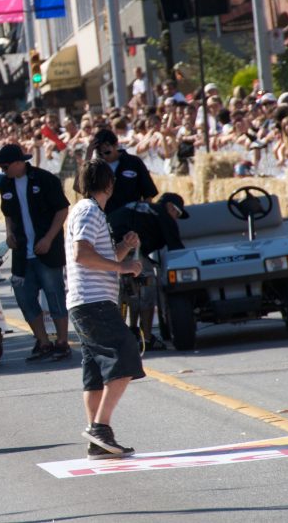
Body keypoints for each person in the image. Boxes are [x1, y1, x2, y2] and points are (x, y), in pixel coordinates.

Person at [66, 158, 145, 460]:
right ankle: (100, 427)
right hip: (92, 301)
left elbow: (95, 255)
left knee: (95, 370)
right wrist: (121, 266)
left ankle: (97, 437)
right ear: (110, 185)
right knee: (125, 353)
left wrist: (122, 249)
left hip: (85, 301)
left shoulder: (87, 211)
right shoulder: (88, 211)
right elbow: (82, 254)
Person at [0, 144, 71, 361]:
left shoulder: (45, 179)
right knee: (24, 296)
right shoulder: (5, 184)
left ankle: (62, 342)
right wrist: (9, 232)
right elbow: (8, 213)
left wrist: (49, 238)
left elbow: (62, 209)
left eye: (5, 166)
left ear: (19, 163)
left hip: (46, 251)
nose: (3, 171)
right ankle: (43, 342)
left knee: (55, 295)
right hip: (22, 253)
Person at [108, 192, 189, 350]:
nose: (176, 218)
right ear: (170, 206)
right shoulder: (163, 214)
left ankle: (120, 335)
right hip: (131, 246)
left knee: (119, 290)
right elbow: (177, 251)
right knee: (147, 285)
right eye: (177, 213)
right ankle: (146, 337)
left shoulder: (138, 206)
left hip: (109, 244)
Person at [88, 129, 158, 215]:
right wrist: (88, 156)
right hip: (105, 219)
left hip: (130, 218)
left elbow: (148, 193)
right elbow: (80, 188)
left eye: (107, 152)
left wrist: (144, 216)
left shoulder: (134, 162)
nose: (104, 155)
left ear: (116, 145)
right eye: (100, 152)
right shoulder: (96, 166)